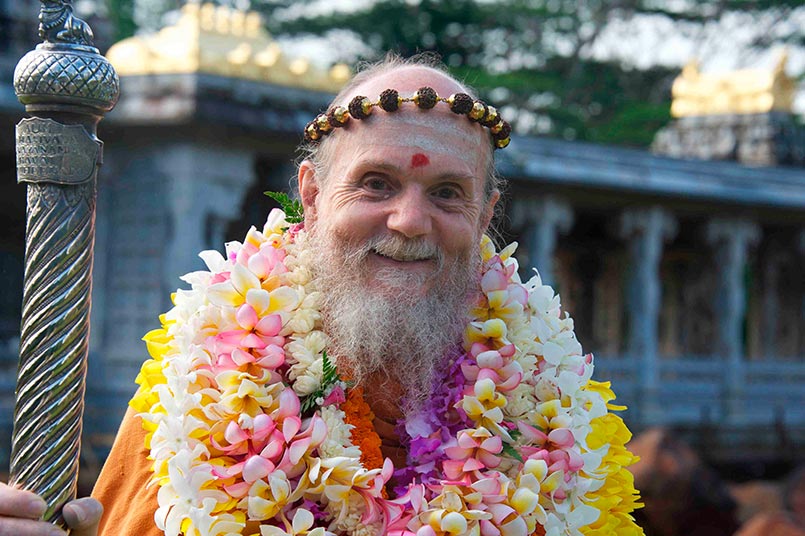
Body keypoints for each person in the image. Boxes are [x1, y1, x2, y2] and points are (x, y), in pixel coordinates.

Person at [0, 54, 641, 536]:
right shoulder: (200, 387)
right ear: (309, 195)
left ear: (484, 215)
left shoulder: (552, 417)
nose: (410, 221)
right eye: (375, 184)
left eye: (448, 193)